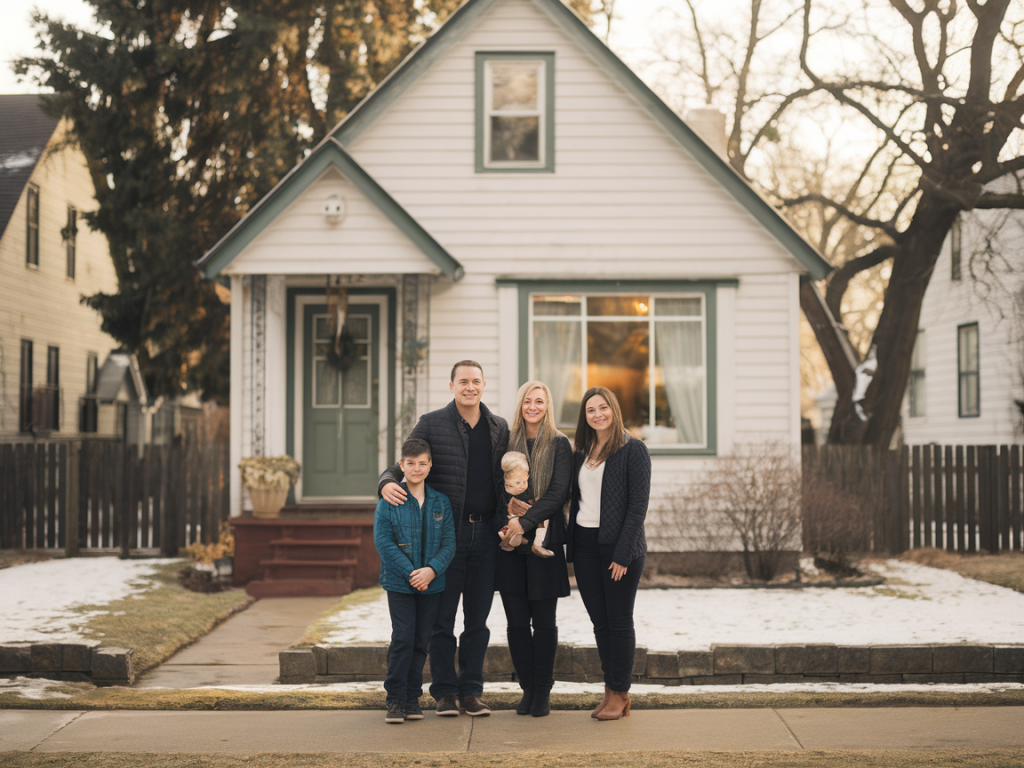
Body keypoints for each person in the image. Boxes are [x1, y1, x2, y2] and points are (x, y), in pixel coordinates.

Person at [379, 361, 509, 717]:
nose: (470, 387)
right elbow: (405, 461)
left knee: (477, 621)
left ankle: (471, 691)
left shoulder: (499, 427)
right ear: (452, 385)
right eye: (463, 381)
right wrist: (386, 482)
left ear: (484, 385)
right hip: (446, 537)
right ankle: (445, 692)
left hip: (487, 535)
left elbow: (509, 476)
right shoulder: (432, 423)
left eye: (476, 381)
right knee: (442, 621)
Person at [566, 386, 651, 721]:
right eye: (591, 410)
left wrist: (622, 553)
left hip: (619, 547)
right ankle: (609, 689)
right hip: (585, 545)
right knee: (599, 623)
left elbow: (638, 507)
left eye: (603, 408)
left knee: (618, 621)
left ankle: (621, 692)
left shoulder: (633, 449)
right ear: (584, 416)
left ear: (614, 410)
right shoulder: (582, 451)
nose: (597, 414)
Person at [496, 381, 572, 718]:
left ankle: (542, 691)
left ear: (547, 405)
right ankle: (527, 688)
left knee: (543, 622)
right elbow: (495, 488)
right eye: (527, 400)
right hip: (509, 545)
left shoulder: (559, 443)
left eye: (539, 401)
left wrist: (526, 522)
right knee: (515, 622)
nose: (533, 407)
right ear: (520, 404)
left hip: (544, 540)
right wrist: (508, 519)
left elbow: (558, 493)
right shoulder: (506, 441)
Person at [373, 438, 455, 723]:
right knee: (403, 638)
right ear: (401, 466)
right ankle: (395, 699)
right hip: (400, 583)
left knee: (421, 641)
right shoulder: (390, 501)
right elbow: (384, 543)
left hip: (432, 583)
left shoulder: (441, 502)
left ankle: (411, 698)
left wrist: (431, 570)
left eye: (422, 463)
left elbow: (449, 544)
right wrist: (411, 573)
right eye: (411, 464)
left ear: (430, 465)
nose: (417, 469)